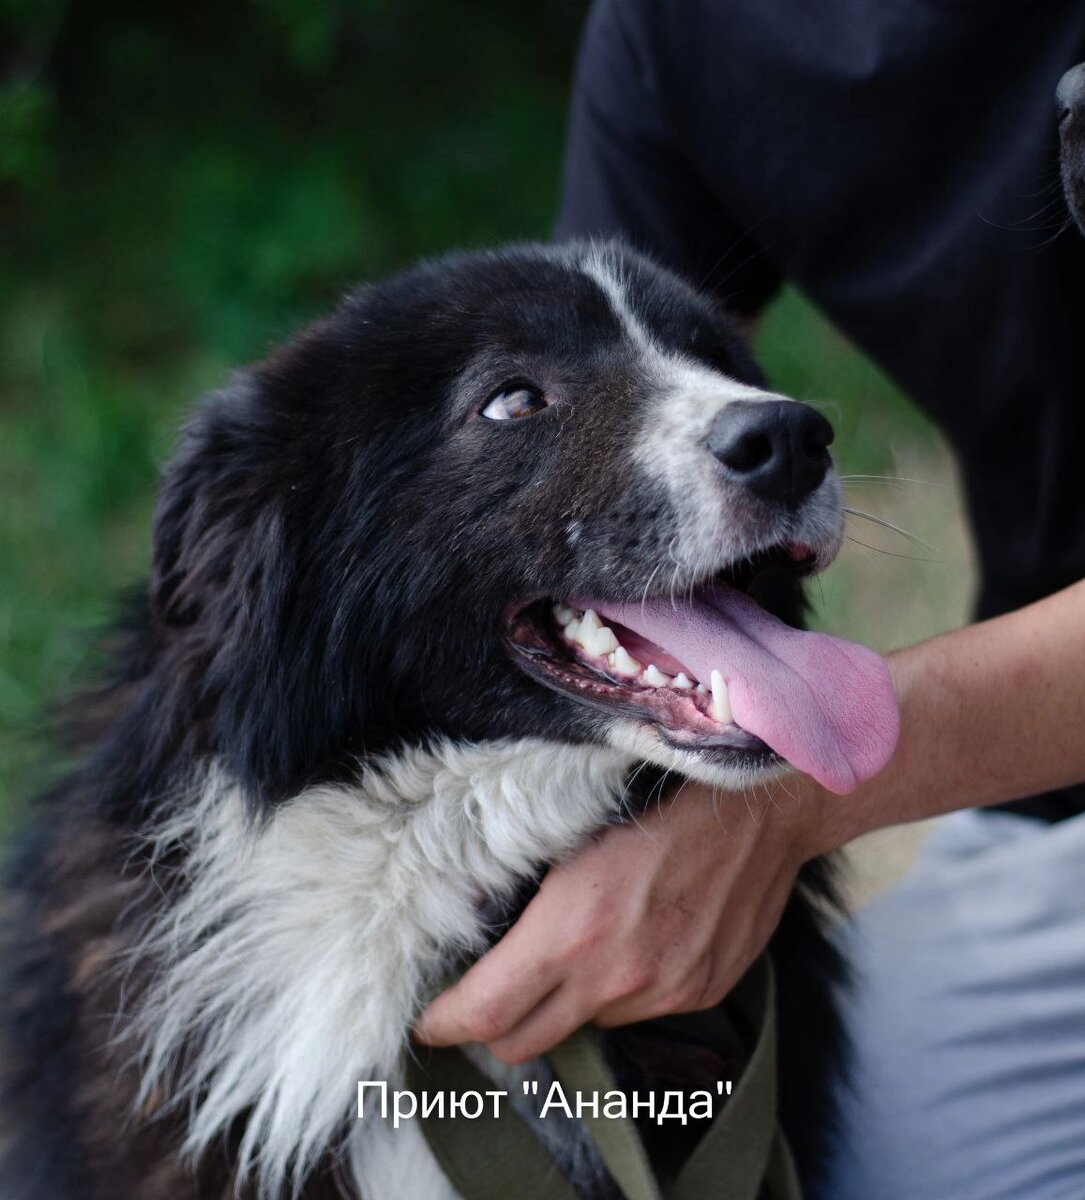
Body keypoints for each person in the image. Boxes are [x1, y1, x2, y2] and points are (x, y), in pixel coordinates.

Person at [417, 2, 1085, 1195]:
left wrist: (783, 815)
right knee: (830, 1153)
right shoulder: (686, 34)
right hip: (1055, 812)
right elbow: (600, 460)